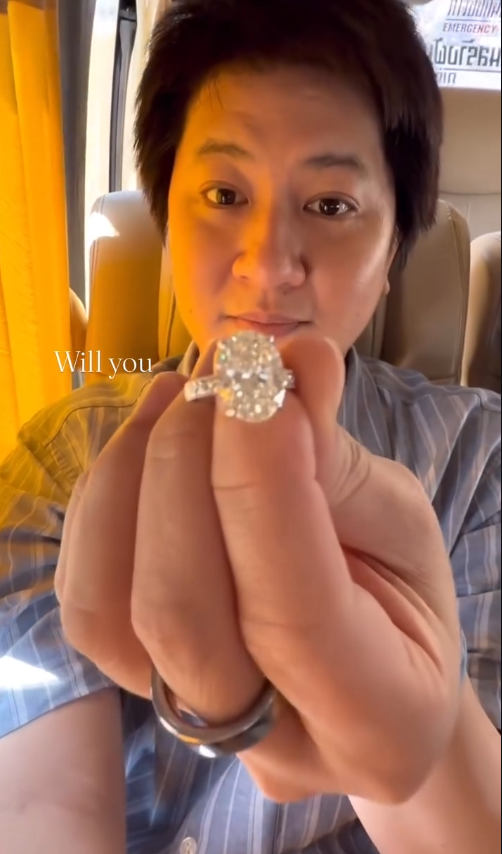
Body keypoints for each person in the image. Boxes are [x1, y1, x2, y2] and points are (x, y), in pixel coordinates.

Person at [0, 0, 500, 852]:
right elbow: (40, 816)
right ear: (168, 225)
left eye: (332, 205)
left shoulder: (480, 465)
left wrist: (419, 718)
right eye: (224, 194)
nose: (268, 266)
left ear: (392, 254)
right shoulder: (62, 462)